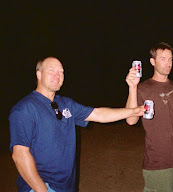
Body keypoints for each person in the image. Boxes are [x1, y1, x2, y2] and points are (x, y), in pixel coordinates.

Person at [9, 57, 145, 192]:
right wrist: (42, 190)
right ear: (39, 74)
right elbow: (20, 155)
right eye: (51, 70)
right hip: (42, 186)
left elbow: (99, 114)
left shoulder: (66, 104)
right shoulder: (25, 109)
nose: (57, 75)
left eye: (61, 72)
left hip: (66, 186)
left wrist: (133, 111)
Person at [125, 42, 173, 192]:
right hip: (159, 163)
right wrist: (132, 87)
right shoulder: (142, 89)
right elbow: (131, 120)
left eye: (171, 59)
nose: (169, 63)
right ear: (153, 62)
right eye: (163, 59)